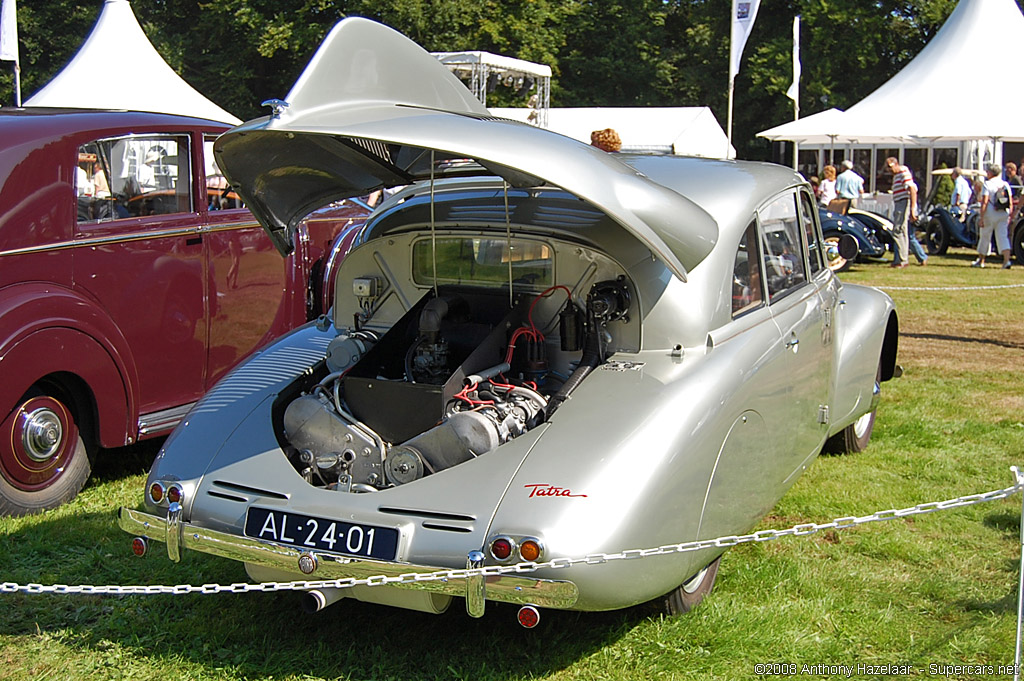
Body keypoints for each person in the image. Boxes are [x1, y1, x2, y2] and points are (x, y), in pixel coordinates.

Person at [975, 163, 1013, 269]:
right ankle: (1006, 261)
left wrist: (981, 217)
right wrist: (1009, 215)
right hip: (1003, 212)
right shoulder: (1005, 184)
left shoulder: (987, 184)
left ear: (991, 173)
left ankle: (981, 260)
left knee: (985, 236)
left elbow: (985, 202)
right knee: (1003, 237)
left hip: (990, 213)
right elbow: (1010, 201)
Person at [886, 157, 920, 268]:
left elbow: (912, 189)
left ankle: (902, 259)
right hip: (899, 202)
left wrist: (912, 209)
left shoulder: (903, 171)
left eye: (890, 167)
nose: (889, 170)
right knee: (903, 231)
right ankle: (901, 259)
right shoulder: (897, 175)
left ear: (896, 164)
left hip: (903, 202)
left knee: (898, 230)